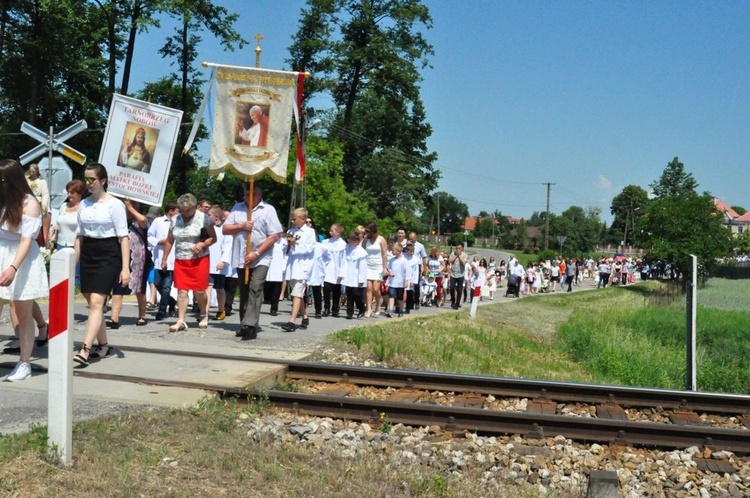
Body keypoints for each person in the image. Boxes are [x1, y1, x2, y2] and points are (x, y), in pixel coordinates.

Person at [73, 163, 130, 367]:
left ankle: (85, 349)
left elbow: (123, 237)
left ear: (102, 181)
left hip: (108, 254)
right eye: (85, 179)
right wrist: (73, 263)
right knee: (92, 303)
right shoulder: (84, 204)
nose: (88, 184)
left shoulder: (115, 205)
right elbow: (79, 236)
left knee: (97, 303)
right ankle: (103, 344)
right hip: (88, 252)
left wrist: (125, 268)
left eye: (91, 180)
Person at [0, 159, 49, 381]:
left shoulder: (29, 203)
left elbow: (25, 242)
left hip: (20, 259)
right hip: (2, 252)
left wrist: (12, 268)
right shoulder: (2, 201)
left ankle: (24, 363)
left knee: (22, 312)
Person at [223, 183, 283, 340]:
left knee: (255, 288)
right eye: (246, 193)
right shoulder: (237, 208)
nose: (249, 197)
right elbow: (225, 229)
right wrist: (241, 226)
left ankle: (250, 325)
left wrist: (256, 253)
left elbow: (274, 235)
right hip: (241, 257)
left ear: (260, 194)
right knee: (244, 290)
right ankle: (244, 323)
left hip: (261, 257)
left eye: (253, 194)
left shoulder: (268, 210)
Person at [162, 193, 215, 332]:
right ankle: (181, 320)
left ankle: (203, 314)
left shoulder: (203, 218)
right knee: (181, 290)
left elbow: (212, 238)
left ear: (194, 208)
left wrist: (202, 244)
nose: (185, 213)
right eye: (182, 210)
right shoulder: (174, 220)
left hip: (199, 259)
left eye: (188, 210)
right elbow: (169, 240)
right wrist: (164, 259)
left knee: (199, 290)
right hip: (181, 258)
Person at [107, 198, 151, 328]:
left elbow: (143, 221)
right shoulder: (118, 221)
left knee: (139, 289)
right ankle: (114, 319)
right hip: (120, 257)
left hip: (139, 259)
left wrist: (130, 207)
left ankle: (142, 315)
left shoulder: (139, 221)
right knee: (118, 286)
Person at [281, 208, 316, 332]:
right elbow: (285, 249)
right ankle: (305, 317)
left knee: (297, 292)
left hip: (303, 266)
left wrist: (295, 244)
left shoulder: (310, 232)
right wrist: (288, 244)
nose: (293, 221)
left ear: (302, 219)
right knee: (297, 294)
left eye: (295, 218)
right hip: (292, 265)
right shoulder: (291, 231)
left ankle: (292, 321)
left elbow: (309, 248)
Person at [148, 201, 178, 320]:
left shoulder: (179, 223)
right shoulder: (158, 221)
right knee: (157, 283)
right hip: (159, 258)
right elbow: (149, 236)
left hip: (172, 259)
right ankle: (171, 301)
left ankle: (162, 310)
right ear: (171, 211)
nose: (179, 213)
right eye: (177, 211)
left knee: (166, 286)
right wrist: (159, 241)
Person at [208, 205, 232, 321]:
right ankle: (205, 312)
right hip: (207, 262)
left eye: (209, 215)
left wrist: (223, 260)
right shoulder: (206, 229)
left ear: (216, 216)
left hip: (219, 264)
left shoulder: (225, 231)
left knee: (219, 288)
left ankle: (221, 310)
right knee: (206, 287)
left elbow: (228, 247)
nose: (207, 217)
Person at [362, 221, 388, 317]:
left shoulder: (381, 240)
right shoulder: (366, 240)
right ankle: (368, 308)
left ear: (373, 230)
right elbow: (362, 251)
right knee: (368, 288)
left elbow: (384, 254)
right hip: (368, 266)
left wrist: (384, 268)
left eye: (368, 231)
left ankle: (377, 304)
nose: (366, 233)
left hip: (378, 267)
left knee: (376, 288)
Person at [340, 230, 367, 319]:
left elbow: (362, 267)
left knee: (356, 293)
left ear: (356, 241)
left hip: (356, 276)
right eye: (348, 240)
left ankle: (361, 307)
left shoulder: (361, 252)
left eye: (350, 240)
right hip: (348, 275)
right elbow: (344, 262)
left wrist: (361, 279)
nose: (349, 242)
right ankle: (349, 312)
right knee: (349, 294)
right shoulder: (347, 249)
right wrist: (342, 274)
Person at [321, 223, 346, 318]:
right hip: (327, 268)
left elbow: (344, 260)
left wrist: (342, 272)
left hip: (337, 268)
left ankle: (335, 308)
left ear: (338, 233)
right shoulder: (325, 242)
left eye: (332, 231)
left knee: (336, 290)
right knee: (326, 288)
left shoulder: (343, 244)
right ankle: (326, 307)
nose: (330, 232)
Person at [24, 163, 51, 246]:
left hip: (38, 203)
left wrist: (44, 205)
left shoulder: (42, 182)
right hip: (27, 202)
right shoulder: (27, 180)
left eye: (33, 171)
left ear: (36, 171)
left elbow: (45, 194)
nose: (31, 173)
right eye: (30, 171)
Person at [385, 243, 408, 318]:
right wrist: (389, 272)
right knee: (391, 296)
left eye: (393, 250)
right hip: (393, 282)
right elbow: (389, 268)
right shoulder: (392, 260)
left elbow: (407, 271)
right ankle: (391, 309)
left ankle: (401, 309)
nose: (392, 251)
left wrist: (406, 281)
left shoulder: (404, 261)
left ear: (398, 251)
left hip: (400, 282)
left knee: (400, 297)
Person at [448, 244, 467, 309]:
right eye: (456, 248)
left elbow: (464, 263)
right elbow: (450, 261)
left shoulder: (464, 255)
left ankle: (457, 303)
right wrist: (456, 256)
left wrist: (459, 256)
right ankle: (453, 301)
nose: (457, 249)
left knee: (459, 289)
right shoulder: (452, 254)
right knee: (451, 288)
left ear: (462, 248)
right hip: (453, 274)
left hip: (460, 274)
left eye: (459, 248)